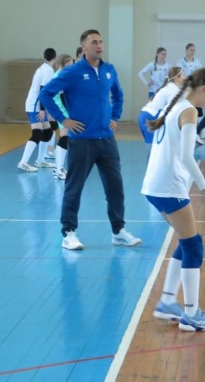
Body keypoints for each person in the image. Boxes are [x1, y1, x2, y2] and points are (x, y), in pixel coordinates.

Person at [39, 29, 141, 250]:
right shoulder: (73, 72)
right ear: (84, 46)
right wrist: (64, 120)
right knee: (74, 187)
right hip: (82, 140)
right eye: (94, 42)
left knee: (115, 188)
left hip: (107, 140)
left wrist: (115, 117)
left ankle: (118, 232)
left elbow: (119, 95)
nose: (99, 45)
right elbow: (45, 94)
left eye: (101, 41)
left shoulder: (108, 70)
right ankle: (68, 233)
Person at [144, 67, 205, 332]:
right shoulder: (188, 111)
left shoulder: (175, 105)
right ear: (202, 89)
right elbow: (187, 157)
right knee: (194, 247)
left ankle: (168, 302)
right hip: (168, 186)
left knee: (188, 241)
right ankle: (191, 315)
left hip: (155, 185)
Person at [18, 47, 58, 172]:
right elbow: (43, 90)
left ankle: (40, 161)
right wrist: (42, 110)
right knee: (37, 134)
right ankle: (23, 162)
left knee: (48, 132)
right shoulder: (48, 70)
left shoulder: (42, 68)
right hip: (35, 106)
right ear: (55, 58)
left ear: (44, 57)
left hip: (37, 105)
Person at [138, 67, 185, 148]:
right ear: (176, 78)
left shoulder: (168, 87)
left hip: (144, 116)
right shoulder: (173, 90)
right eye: (183, 75)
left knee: (152, 149)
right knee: (154, 149)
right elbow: (173, 110)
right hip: (150, 117)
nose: (185, 77)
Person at [48, 54, 75, 180]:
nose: (72, 66)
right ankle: (59, 169)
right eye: (69, 64)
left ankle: (58, 167)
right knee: (65, 138)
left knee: (63, 138)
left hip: (61, 108)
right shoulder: (60, 76)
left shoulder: (61, 74)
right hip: (61, 109)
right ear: (64, 64)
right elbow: (54, 95)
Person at [178, 43, 205, 139]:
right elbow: (180, 76)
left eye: (194, 50)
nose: (193, 52)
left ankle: (203, 131)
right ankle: (184, 131)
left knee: (199, 110)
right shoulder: (180, 62)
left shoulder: (197, 61)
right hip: (186, 90)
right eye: (191, 50)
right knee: (186, 110)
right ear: (186, 50)